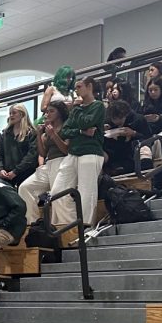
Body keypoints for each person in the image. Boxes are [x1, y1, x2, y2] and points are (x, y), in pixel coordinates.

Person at [51, 76, 105, 232]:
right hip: (73, 153)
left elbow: (86, 122)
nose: (76, 90)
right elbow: (65, 131)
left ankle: (86, 226)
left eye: (79, 86)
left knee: (87, 191)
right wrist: (81, 131)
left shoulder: (98, 106)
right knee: (57, 192)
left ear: (89, 87)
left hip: (91, 152)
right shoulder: (76, 109)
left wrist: (77, 112)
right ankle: (71, 224)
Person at [19, 99, 69, 224]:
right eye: (46, 112)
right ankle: (33, 222)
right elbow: (42, 153)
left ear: (60, 113)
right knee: (25, 188)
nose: (47, 114)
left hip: (63, 161)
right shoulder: (47, 130)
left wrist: (53, 134)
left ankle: (62, 224)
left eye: (51, 111)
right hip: (49, 164)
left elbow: (66, 150)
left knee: (57, 194)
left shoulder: (66, 126)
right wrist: (39, 134)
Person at [103, 100, 149, 175]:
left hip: (132, 153)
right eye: (113, 118)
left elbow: (147, 138)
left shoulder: (138, 119)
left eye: (119, 118)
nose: (116, 121)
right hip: (113, 153)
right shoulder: (108, 121)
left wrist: (134, 133)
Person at [0, 105, 37, 187]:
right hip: (7, 174)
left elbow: (32, 155)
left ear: (22, 114)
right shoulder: (5, 134)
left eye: (14, 113)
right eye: (10, 113)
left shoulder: (30, 133)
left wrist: (16, 171)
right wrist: (0, 169)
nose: (11, 115)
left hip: (25, 173)